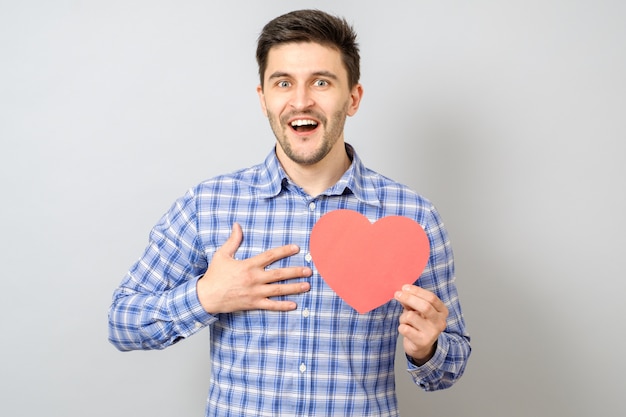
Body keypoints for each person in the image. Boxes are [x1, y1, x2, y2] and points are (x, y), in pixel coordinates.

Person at [108, 9, 471, 416]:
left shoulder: (412, 217)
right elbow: (123, 323)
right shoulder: (207, 206)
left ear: (353, 98)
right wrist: (206, 296)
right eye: (284, 83)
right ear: (263, 97)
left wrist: (428, 350)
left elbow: (451, 364)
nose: (301, 101)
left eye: (321, 82)